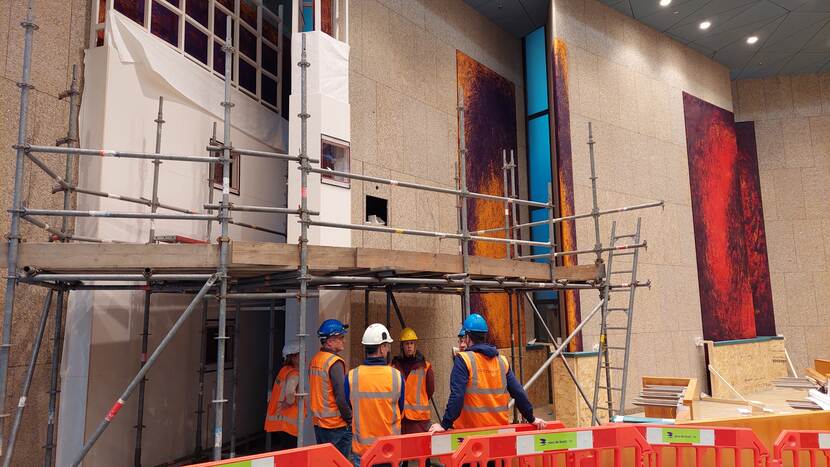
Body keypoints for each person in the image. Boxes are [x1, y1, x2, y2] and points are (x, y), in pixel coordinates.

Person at [430, 313, 546, 432]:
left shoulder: (464, 360)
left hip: (471, 435)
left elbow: (457, 395)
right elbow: (519, 392)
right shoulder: (502, 361)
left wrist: (444, 424)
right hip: (499, 433)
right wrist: (531, 418)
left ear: (468, 337)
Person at [345, 323, 405, 467]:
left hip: (363, 453)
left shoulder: (352, 376)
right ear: (382, 348)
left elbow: (349, 405)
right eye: (387, 345)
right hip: (389, 451)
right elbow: (401, 409)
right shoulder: (396, 376)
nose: (389, 349)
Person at [309, 319, 352, 459]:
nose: (343, 341)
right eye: (341, 338)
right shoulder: (334, 363)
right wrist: (350, 419)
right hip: (336, 426)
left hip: (319, 424)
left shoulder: (316, 360)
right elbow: (341, 397)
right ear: (330, 341)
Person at [391, 327, 434, 434]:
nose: (409, 346)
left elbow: (430, 390)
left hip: (419, 419)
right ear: (402, 346)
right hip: (400, 417)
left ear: (415, 345)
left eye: (412, 343)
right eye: (406, 344)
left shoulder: (425, 366)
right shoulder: (394, 366)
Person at [265, 342, 301, 450]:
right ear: (294, 357)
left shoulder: (284, 371)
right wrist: (289, 401)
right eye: (300, 355)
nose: (303, 358)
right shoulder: (294, 374)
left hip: (280, 420)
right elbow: (290, 393)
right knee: (290, 454)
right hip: (288, 423)